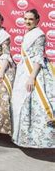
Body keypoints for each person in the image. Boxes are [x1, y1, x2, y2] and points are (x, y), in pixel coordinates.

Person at [11, 9, 54, 148]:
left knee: (34, 104)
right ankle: (21, 136)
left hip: (34, 72)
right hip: (24, 69)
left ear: (37, 20)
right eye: (25, 19)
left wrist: (32, 77)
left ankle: (37, 139)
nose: (27, 21)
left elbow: (38, 58)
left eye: (30, 19)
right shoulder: (29, 33)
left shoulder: (39, 35)